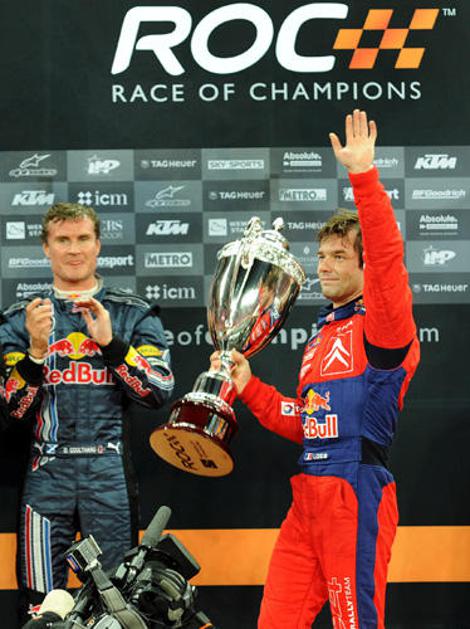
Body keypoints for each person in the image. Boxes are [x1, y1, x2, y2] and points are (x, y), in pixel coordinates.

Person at [210, 110, 420, 628]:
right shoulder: (322, 333)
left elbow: (387, 257)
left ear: (364, 266)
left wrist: (363, 177)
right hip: (308, 494)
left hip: (355, 492)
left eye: (339, 256)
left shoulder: (383, 326)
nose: (324, 265)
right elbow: (307, 422)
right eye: (322, 255)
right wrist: (250, 387)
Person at [0, 203, 175, 618]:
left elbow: (158, 391)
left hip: (107, 471)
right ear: (46, 248)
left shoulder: (132, 312)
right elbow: (11, 409)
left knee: (114, 600)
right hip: (46, 472)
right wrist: (35, 353)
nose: (74, 249)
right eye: (63, 240)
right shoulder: (21, 320)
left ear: (98, 245)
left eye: (82, 239)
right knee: (41, 604)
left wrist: (112, 345)